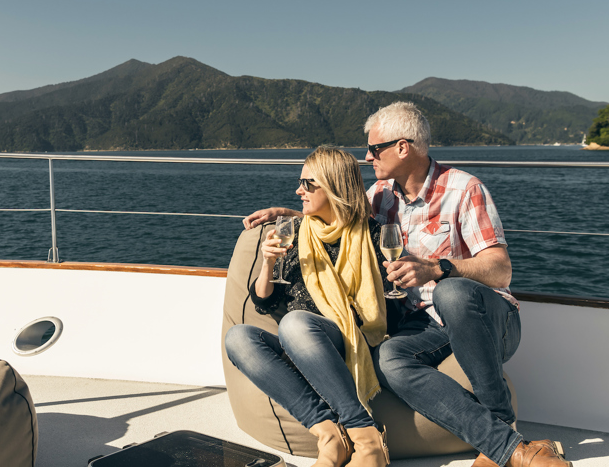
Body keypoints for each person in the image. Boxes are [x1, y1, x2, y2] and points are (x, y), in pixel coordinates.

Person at [243, 103, 571, 467]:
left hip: (485, 319)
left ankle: (500, 419)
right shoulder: (380, 195)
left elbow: (500, 270)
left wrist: (438, 268)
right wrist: (289, 215)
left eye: (374, 149)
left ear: (403, 147)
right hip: (423, 325)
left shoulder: (464, 189)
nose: (367, 157)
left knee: (453, 292)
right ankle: (513, 448)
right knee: (389, 359)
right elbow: (340, 211)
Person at [226, 146, 391, 467]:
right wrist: (268, 263)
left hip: (346, 340)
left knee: (295, 323)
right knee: (238, 338)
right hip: (296, 341)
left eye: (308, 184)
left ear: (334, 186)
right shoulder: (299, 231)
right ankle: (331, 436)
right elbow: (265, 301)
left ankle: (367, 438)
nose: (298, 190)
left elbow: (381, 303)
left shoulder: (370, 235)